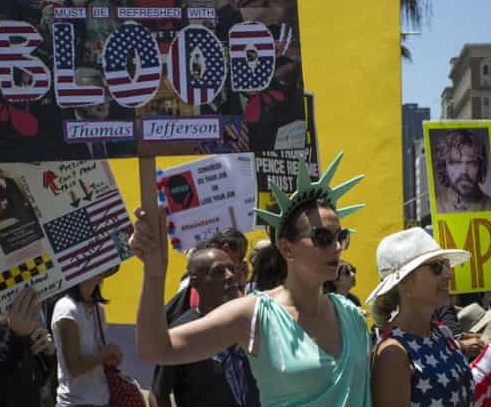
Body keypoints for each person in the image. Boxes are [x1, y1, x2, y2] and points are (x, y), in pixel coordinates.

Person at [131, 152, 371, 406]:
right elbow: (155, 349)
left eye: (341, 236)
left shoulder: (352, 316)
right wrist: (154, 274)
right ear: (287, 248)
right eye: (322, 237)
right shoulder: (255, 316)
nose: (336, 247)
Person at [368, 228, 491, 407]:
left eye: (446, 264)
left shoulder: (442, 332)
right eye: (436, 267)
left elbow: (463, 388)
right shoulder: (392, 353)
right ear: (404, 282)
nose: (449, 274)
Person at [152, 246, 260, 407]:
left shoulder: (250, 319)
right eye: (218, 272)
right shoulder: (182, 334)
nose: (230, 276)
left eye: (231, 269)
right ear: (196, 282)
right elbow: (158, 395)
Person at [51, 273, 122, 407]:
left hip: (102, 400)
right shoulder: (67, 308)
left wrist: (112, 356)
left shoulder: (98, 309)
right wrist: (106, 353)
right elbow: (75, 368)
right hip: (75, 402)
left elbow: (99, 356)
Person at [431, 129, 491, 213]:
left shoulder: (490, 207)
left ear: (480, 166)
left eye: (471, 162)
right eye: (455, 162)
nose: (463, 171)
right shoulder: (438, 205)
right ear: (444, 166)